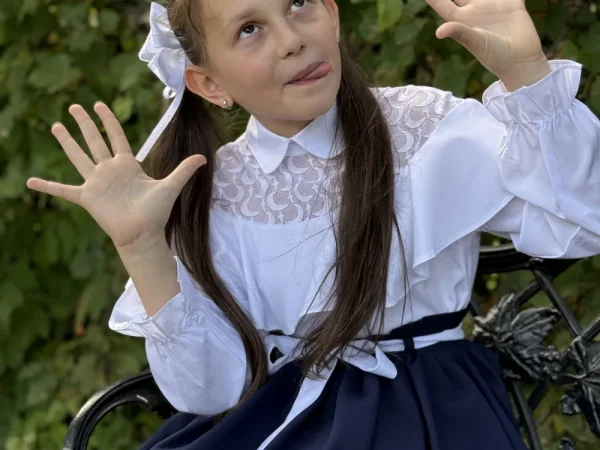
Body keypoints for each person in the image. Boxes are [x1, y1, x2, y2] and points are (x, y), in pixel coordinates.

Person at [26, 0, 600, 448]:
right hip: (282, 415)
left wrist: (528, 77)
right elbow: (211, 390)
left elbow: (584, 224)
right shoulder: (214, 190)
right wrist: (142, 246)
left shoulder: (422, 127)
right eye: (249, 29)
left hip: (432, 408)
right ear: (209, 83)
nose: (291, 39)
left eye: (299, 3)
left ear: (332, 12)